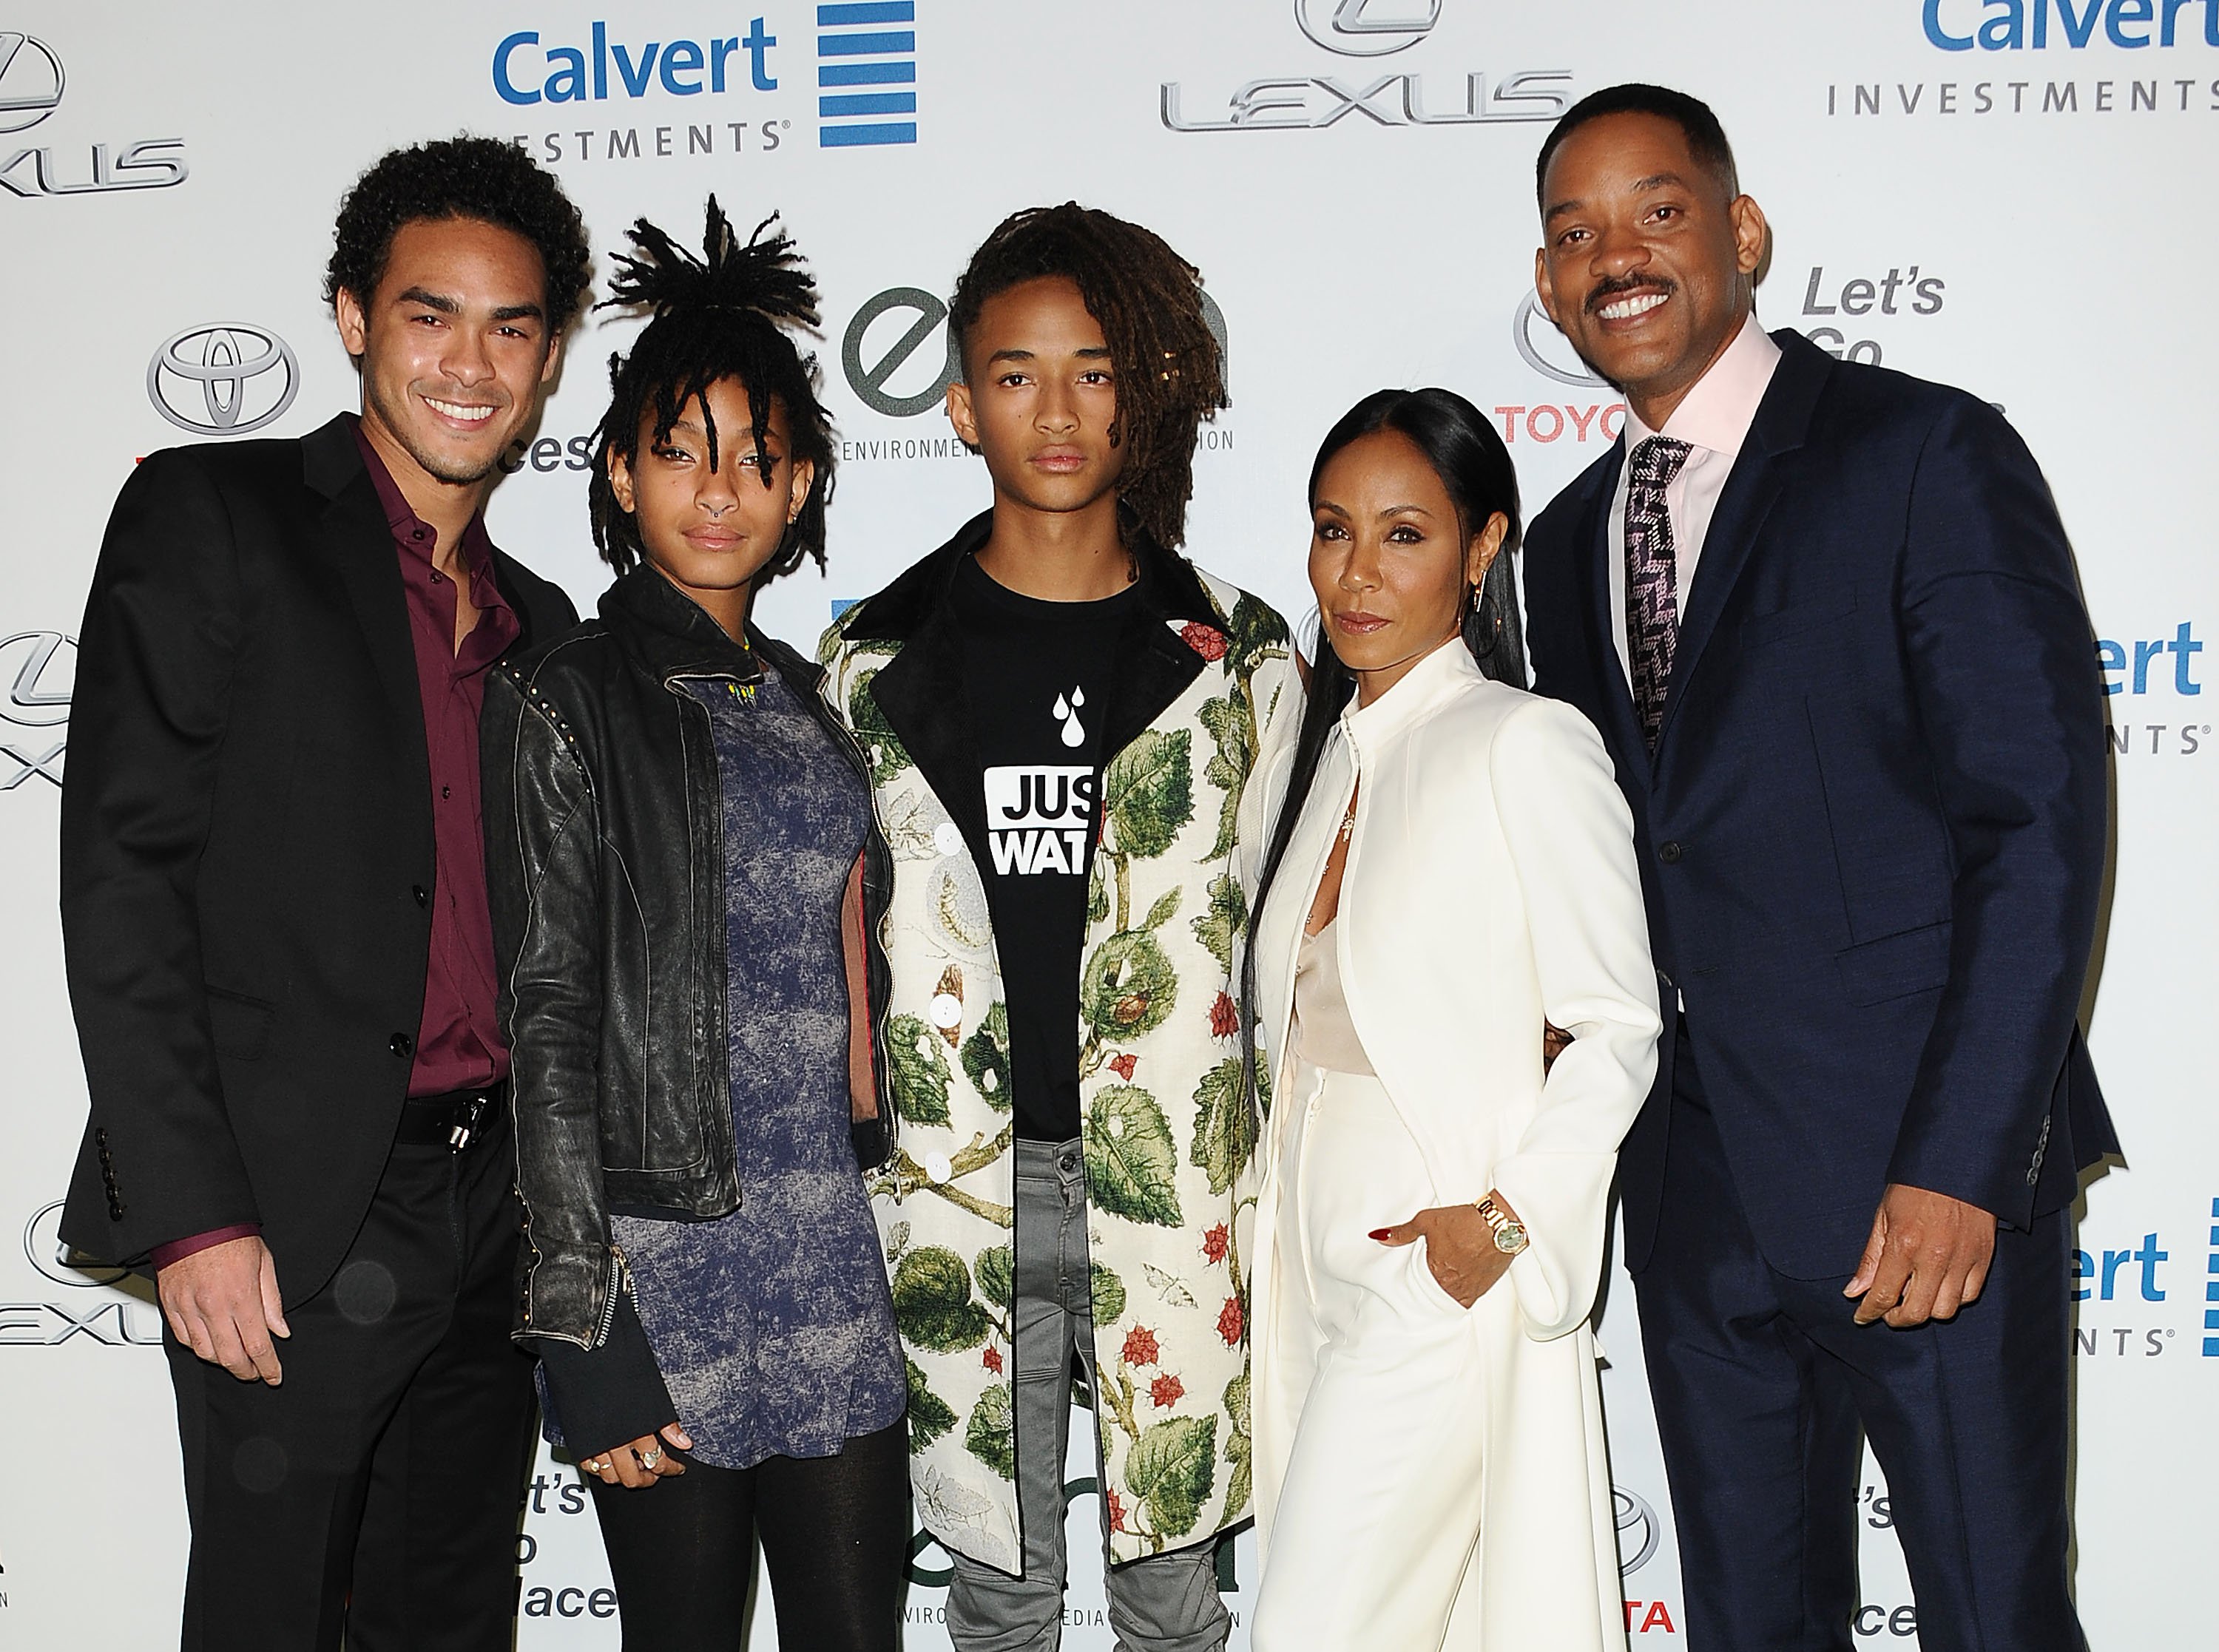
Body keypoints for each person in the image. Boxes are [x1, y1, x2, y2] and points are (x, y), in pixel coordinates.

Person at [1521, 84, 2114, 1652]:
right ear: (1546, 284)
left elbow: (2034, 822)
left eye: (1657, 210)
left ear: (1743, 230)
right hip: (1698, 1205)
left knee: (1994, 1620)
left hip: (1923, 1190)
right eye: (1576, 232)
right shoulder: (1564, 546)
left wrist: (1964, 1164)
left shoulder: (1923, 452)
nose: (1617, 256)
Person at [57, 136, 587, 1649]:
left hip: (493, 1217)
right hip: (288, 1214)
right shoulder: (214, 520)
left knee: (452, 1615)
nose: (470, 363)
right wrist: (194, 1214)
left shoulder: (539, 628)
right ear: (352, 316)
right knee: (270, 1616)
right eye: (431, 315)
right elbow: (123, 880)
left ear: (548, 357)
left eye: (511, 327)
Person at [818, 203, 1294, 1652]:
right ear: (961, 403)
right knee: (994, 1595)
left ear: (1139, 389)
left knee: (1174, 1595)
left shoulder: (1242, 660)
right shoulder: (871, 662)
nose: (1058, 408)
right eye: (1017, 373)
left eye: (1093, 368)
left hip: (1183, 1181)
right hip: (956, 1183)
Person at [482, 199, 908, 1652]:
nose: (718, 487)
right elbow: (543, 1021)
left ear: (799, 488)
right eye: (681, 448)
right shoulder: (570, 698)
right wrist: (582, 1339)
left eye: (755, 455)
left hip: (829, 1254)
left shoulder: (807, 702)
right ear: (617, 470)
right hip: (661, 1276)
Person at [1237, 389, 1659, 1651]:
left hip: (1435, 1268)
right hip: (1303, 1260)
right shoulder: (1327, 757)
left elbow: (1618, 1024)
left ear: (1481, 550)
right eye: (1332, 529)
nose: (1356, 572)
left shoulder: (1525, 741)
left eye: (1403, 534)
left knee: (1310, 1633)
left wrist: (1501, 1222)